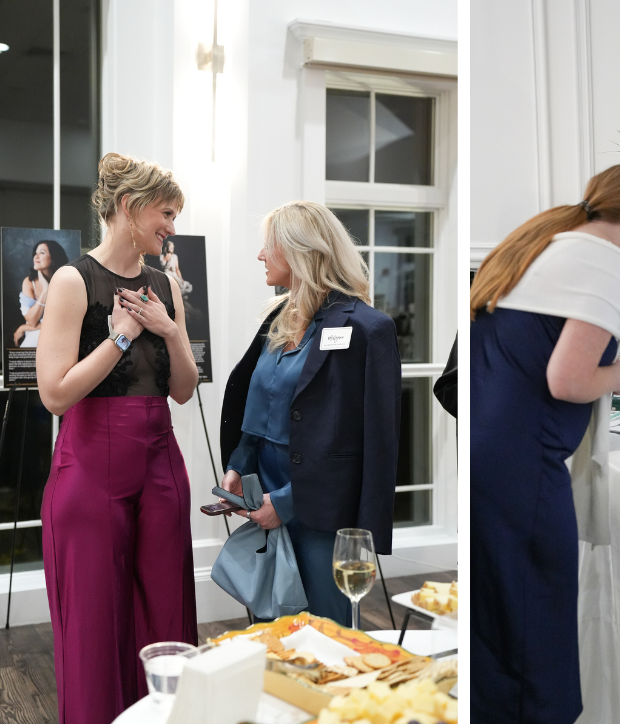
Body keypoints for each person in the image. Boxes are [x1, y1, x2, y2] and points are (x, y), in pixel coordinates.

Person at [469, 164, 620, 724]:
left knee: (497, 633)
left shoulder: (547, 244)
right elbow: (568, 380)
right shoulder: (605, 261)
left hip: (489, 456)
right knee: (534, 635)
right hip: (524, 469)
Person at [36, 153, 200, 724]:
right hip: (89, 470)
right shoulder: (72, 280)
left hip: (161, 465)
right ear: (129, 207)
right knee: (94, 629)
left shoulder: (165, 285)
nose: (172, 226)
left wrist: (170, 332)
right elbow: (55, 394)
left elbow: (183, 390)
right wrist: (123, 336)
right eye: (166, 213)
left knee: (167, 617)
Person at [219, 201, 401, 625]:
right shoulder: (277, 320)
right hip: (262, 494)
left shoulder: (368, 329)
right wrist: (238, 465)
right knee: (272, 630)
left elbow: (375, 442)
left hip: (323, 511)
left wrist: (287, 502)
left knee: (325, 634)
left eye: (268, 245)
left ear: (299, 249)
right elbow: (258, 404)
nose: (260, 255)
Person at [13, 239, 69, 347]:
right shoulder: (29, 282)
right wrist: (45, 290)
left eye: (42, 253)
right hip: (35, 332)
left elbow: (61, 320)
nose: (36, 256)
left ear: (54, 258)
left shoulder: (64, 282)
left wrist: (23, 327)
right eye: (36, 253)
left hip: (59, 332)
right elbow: (32, 321)